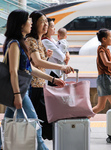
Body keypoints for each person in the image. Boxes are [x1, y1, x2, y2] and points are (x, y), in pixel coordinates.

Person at [0, 9, 66, 150]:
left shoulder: (21, 43)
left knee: (5, 127)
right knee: (35, 127)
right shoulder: (14, 44)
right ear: (20, 24)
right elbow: (13, 71)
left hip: (21, 90)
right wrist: (17, 95)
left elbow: (30, 69)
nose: (31, 23)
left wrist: (52, 79)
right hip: (19, 91)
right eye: (28, 20)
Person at [26, 11, 73, 140]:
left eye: (46, 22)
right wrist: (61, 67)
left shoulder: (38, 41)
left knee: (36, 121)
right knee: (41, 121)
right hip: (32, 86)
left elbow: (39, 64)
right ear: (34, 24)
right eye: (42, 22)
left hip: (40, 85)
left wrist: (47, 56)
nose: (45, 24)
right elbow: (36, 63)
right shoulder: (31, 41)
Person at [42, 18, 69, 85]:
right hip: (52, 73)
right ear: (46, 28)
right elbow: (61, 57)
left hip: (57, 73)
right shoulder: (45, 41)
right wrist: (66, 55)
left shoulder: (52, 39)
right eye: (52, 26)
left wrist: (67, 53)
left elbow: (63, 50)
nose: (54, 28)